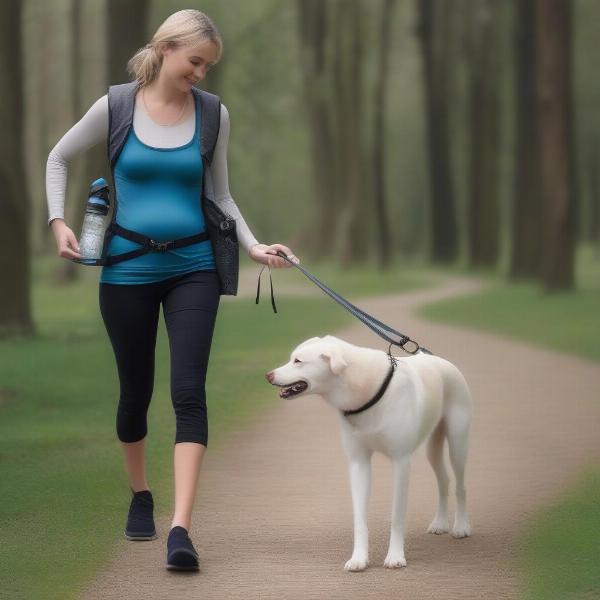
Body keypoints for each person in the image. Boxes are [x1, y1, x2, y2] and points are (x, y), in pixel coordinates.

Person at [46, 9, 299, 572]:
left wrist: (255, 246)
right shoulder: (114, 107)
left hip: (195, 268)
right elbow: (58, 157)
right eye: (196, 61)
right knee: (135, 393)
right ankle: (141, 495)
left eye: (208, 66)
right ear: (166, 48)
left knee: (189, 392)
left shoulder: (212, 115)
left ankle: (181, 529)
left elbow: (223, 196)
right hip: (126, 270)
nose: (202, 75)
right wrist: (58, 223)